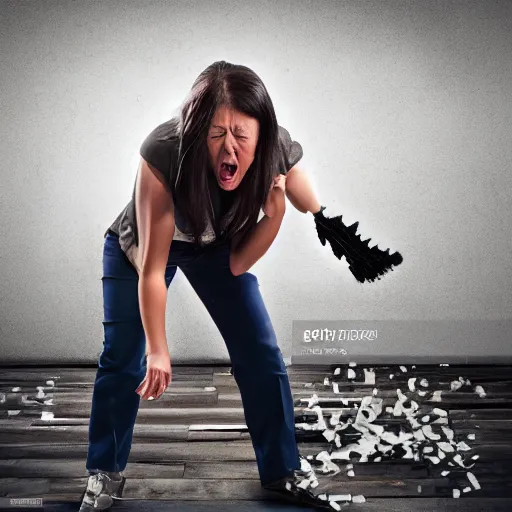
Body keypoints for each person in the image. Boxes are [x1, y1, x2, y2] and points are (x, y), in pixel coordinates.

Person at [79, 60, 336, 511]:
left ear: (261, 135)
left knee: (261, 351)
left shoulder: (272, 145)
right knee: (123, 355)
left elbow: (238, 263)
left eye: (241, 135)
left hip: (214, 245)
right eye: (217, 135)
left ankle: (282, 471)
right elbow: (153, 271)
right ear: (197, 134)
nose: (229, 147)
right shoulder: (163, 152)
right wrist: (157, 349)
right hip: (140, 252)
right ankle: (105, 473)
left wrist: (294, 213)